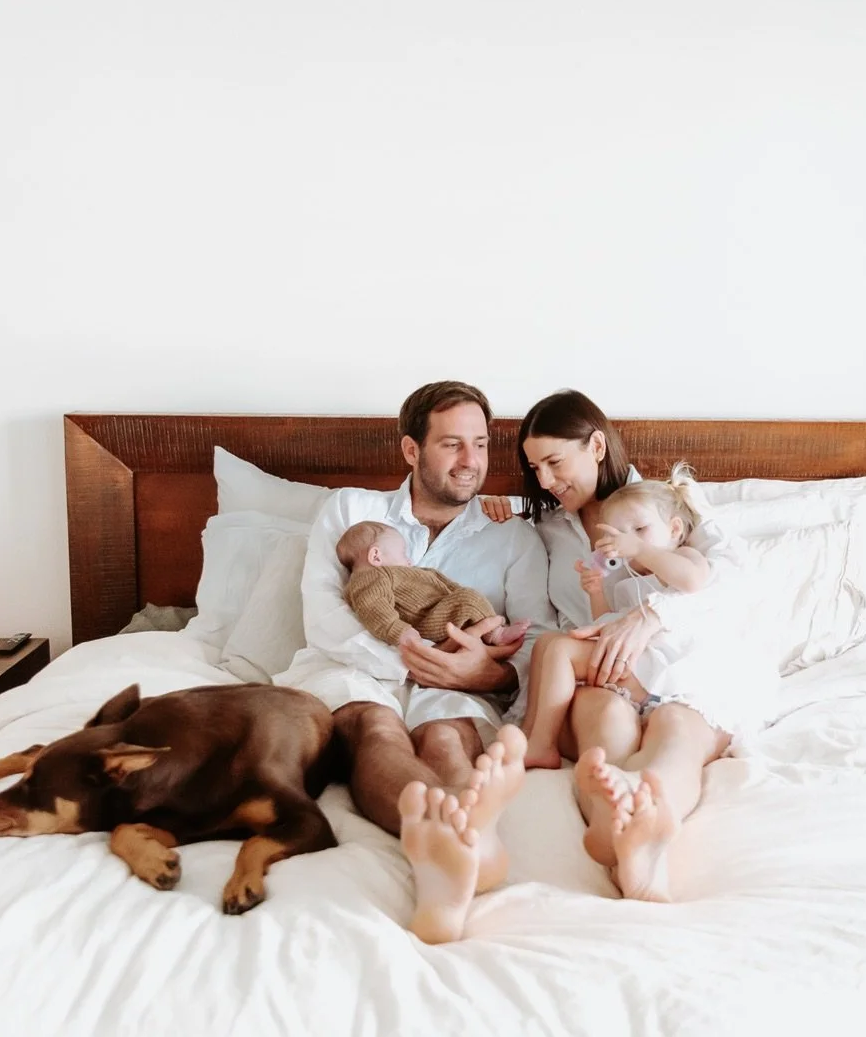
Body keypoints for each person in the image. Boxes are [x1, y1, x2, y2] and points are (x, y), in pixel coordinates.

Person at [274, 381, 555, 944]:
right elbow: (324, 615)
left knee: (448, 738)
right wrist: (411, 663)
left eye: (479, 444)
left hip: (462, 679)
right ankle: (442, 839)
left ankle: (462, 836)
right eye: (452, 444)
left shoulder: (514, 536)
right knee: (375, 728)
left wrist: (486, 675)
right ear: (411, 450)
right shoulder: (352, 510)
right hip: (353, 665)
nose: (471, 462)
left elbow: (536, 639)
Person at [484, 389, 775, 904]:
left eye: (555, 462)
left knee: (676, 733)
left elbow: (731, 579)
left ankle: (652, 819)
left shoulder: (661, 505)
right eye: (536, 469)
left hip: (682, 668)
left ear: (596, 445)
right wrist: (491, 520)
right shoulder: (545, 528)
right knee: (605, 741)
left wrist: (651, 615)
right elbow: (548, 627)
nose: (546, 480)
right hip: (602, 674)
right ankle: (620, 835)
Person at [522, 464, 731, 770]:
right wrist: (595, 591)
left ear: (674, 530)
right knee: (547, 644)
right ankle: (530, 734)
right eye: (621, 534)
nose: (629, 541)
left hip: (663, 670)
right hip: (634, 670)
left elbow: (693, 581)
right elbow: (609, 622)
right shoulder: (625, 578)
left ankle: (541, 743)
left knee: (561, 650)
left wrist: (640, 548)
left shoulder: (684, 556)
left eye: (640, 529)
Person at [336, 520, 532, 651]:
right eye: (403, 553)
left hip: (440, 608)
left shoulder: (392, 574)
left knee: (464, 595)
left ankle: (487, 635)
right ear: (375, 556)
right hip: (429, 618)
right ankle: (496, 634)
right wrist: (399, 631)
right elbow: (373, 608)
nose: (409, 560)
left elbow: (444, 584)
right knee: (469, 601)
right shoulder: (369, 578)